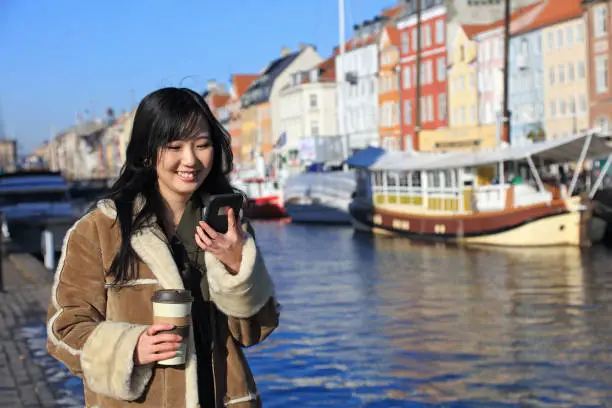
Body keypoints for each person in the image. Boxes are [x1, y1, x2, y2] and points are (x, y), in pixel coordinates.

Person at [46, 87, 280, 408]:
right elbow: (63, 330)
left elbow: (254, 333)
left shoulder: (228, 225)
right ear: (146, 152)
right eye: (174, 146)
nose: (191, 160)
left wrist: (236, 266)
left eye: (202, 145)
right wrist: (129, 349)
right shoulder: (98, 231)